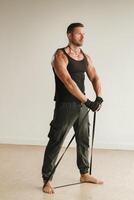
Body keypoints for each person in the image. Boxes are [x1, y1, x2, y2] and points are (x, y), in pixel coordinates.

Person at [42, 22, 104, 194]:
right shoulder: (60, 56)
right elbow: (68, 82)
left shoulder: (86, 56)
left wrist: (98, 97)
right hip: (65, 105)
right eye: (79, 34)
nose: (83, 36)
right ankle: (47, 179)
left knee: (84, 139)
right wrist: (88, 101)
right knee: (56, 140)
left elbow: (95, 76)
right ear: (69, 35)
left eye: (84, 33)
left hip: (82, 105)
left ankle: (84, 173)